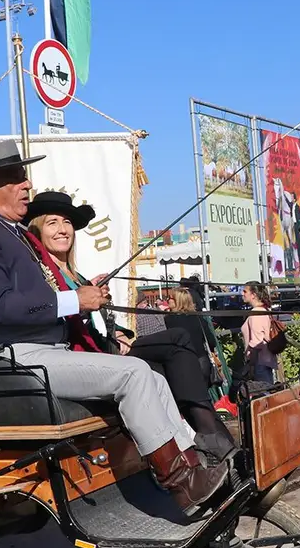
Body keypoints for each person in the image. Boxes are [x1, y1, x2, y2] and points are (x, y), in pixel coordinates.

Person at [0, 142, 228, 512]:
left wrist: (83, 296)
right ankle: (181, 483)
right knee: (134, 375)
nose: (26, 184)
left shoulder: (13, 233)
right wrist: (74, 301)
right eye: (16, 178)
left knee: (153, 378)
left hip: (47, 352)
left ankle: (194, 465)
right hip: (17, 358)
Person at [23, 193, 235, 461]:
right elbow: (60, 319)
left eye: (66, 222)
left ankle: (204, 431)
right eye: (52, 223)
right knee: (171, 347)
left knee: (175, 343)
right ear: (38, 230)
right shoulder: (44, 273)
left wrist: (119, 331)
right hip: (87, 357)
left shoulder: (77, 276)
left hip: (107, 348)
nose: (63, 229)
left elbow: (96, 322)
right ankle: (207, 432)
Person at [241, 281, 279, 383]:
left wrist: (251, 365)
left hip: (259, 361)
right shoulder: (264, 309)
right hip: (266, 359)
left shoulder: (256, 313)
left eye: (245, 291)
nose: (242, 294)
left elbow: (257, 343)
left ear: (253, 295)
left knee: (263, 394)